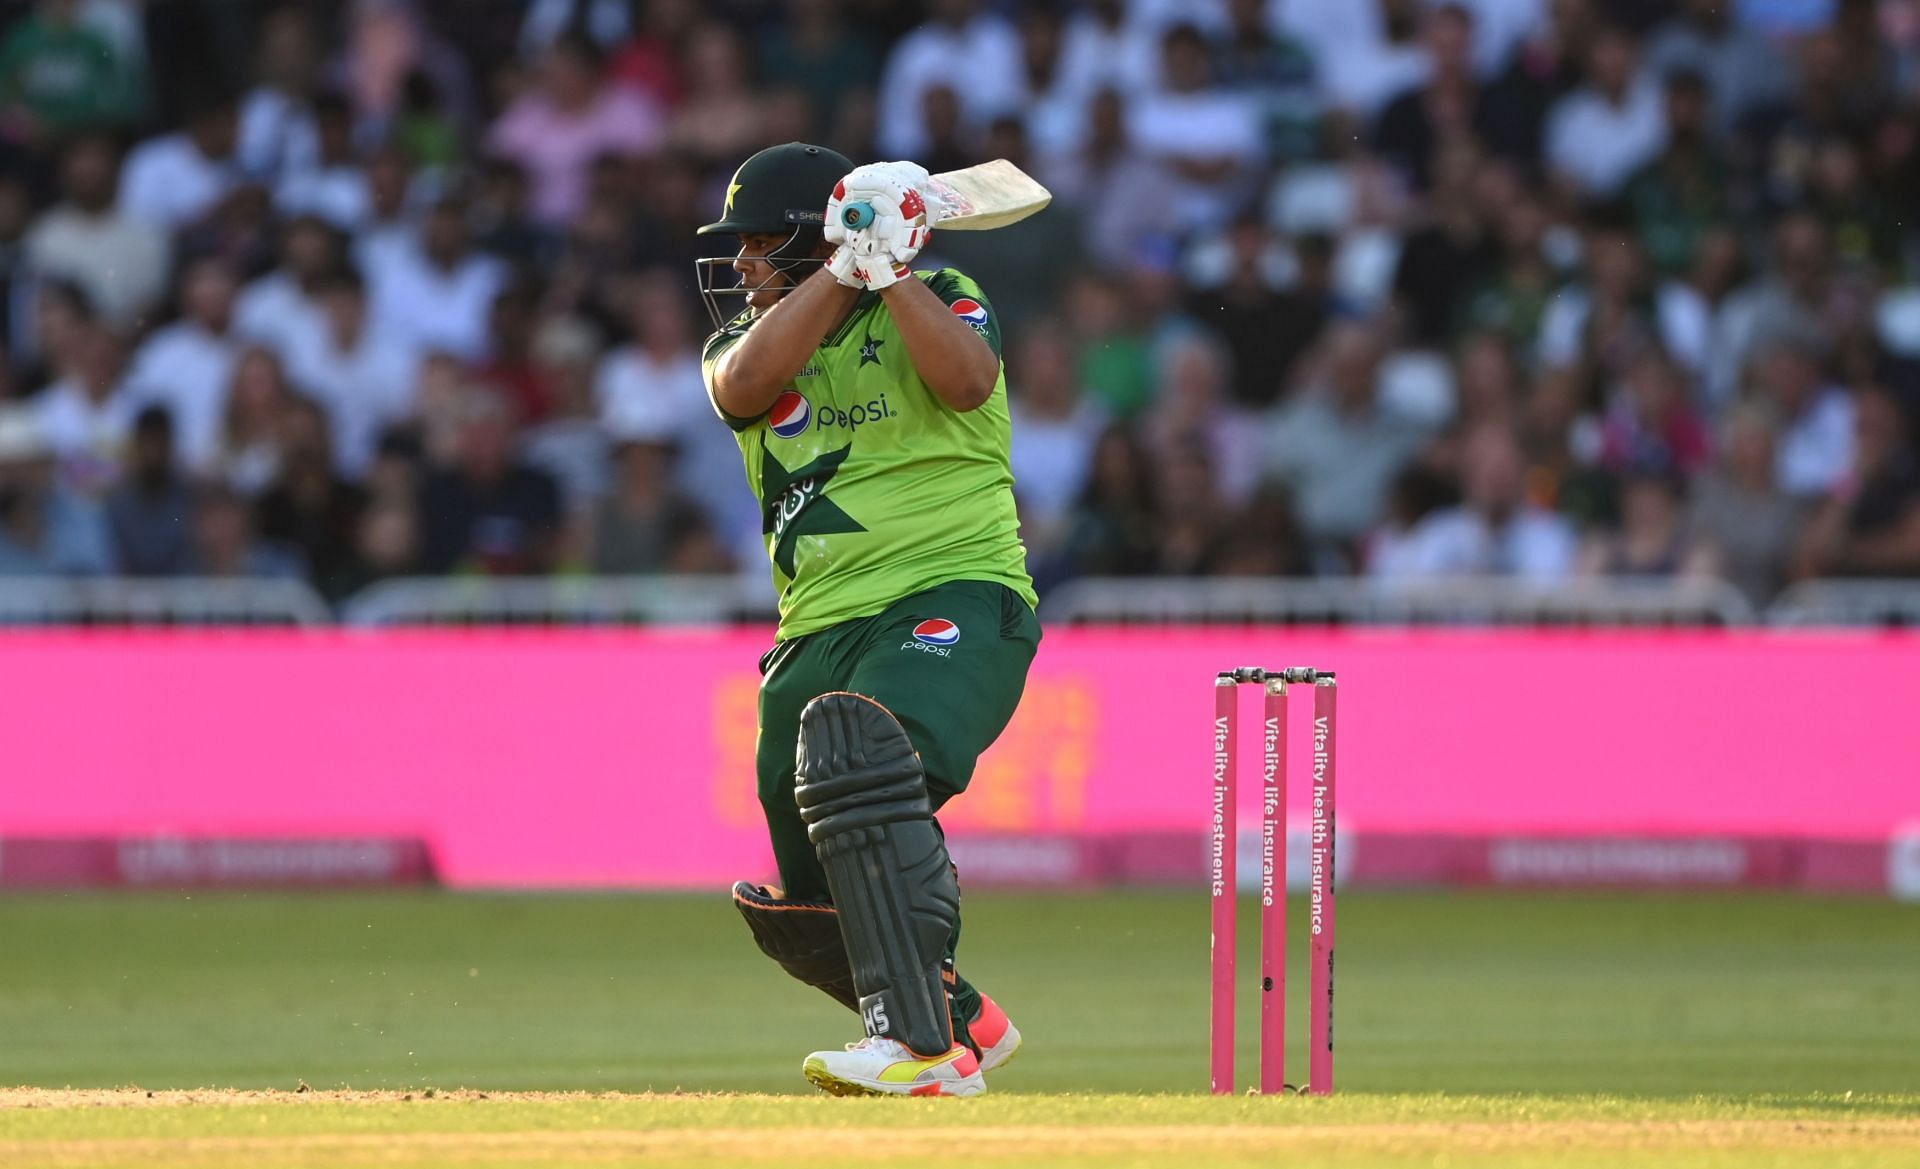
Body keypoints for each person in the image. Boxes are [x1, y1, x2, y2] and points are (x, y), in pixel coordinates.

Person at [696, 142, 1037, 1098]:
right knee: (807, 901)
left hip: (955, 593)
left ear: (806, 242)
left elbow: (967, 381)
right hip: (813, 632)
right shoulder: (743, 342)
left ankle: (924, 1053)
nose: (739, 266)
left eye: (760, 245)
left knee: (864, 755)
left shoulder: (946, 291)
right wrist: (845, 269)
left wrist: (890, 273)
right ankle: (962, 1018)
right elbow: (743, 389)